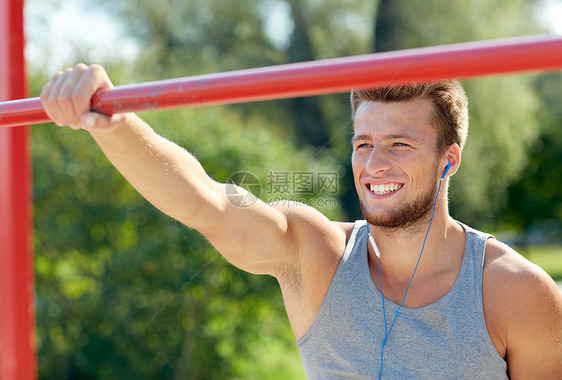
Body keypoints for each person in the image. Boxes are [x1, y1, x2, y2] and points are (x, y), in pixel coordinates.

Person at [40, 63, 562, 379]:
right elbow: (207, 203)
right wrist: (109, 123)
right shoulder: (317, 255)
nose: (376, 164)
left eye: (400, 144)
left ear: (449, 160)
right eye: (364, 144)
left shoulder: (515, 293)